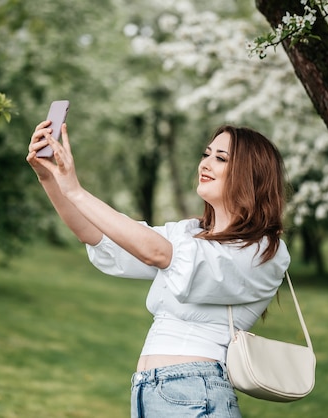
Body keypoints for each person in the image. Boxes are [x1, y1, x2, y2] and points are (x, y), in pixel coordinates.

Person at [26, 121, 290, 418]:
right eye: (206, 154)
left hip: (195, 392)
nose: (205, 163)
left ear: (250, 175)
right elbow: (98, 235)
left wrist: (76, 191)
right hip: (152, 392)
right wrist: (48, 177)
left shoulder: (263, 250)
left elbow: (157, 253)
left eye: (221, 158)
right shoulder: (189, 233)